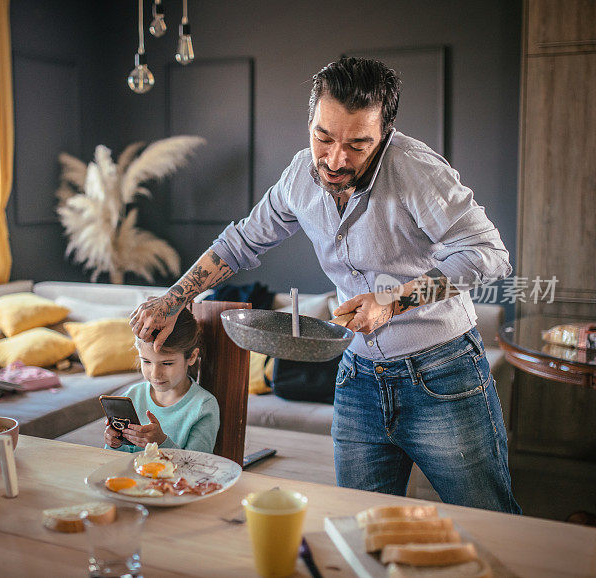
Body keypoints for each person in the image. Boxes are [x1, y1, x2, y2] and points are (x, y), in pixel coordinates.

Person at [130, 57, 521, 513]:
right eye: (323, 137)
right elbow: (240, 241)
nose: (335, 159)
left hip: (443, 373)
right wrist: (174, 298)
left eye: (358, 144)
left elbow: (490, 255)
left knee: (491, 523)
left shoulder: (417, 170)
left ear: (385, 133)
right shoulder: (300, 175)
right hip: (358, 377)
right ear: (311, 121)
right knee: (361, 525)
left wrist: (393, 301)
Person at [104, 308, 220, 454]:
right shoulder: (131, 396)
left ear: (191, 357)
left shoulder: (203, 406)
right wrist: (114, 443)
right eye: (146, 361)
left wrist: (161, 443)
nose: (155, 374)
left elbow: (197, 466)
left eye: (167, 363)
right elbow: (115, 458)